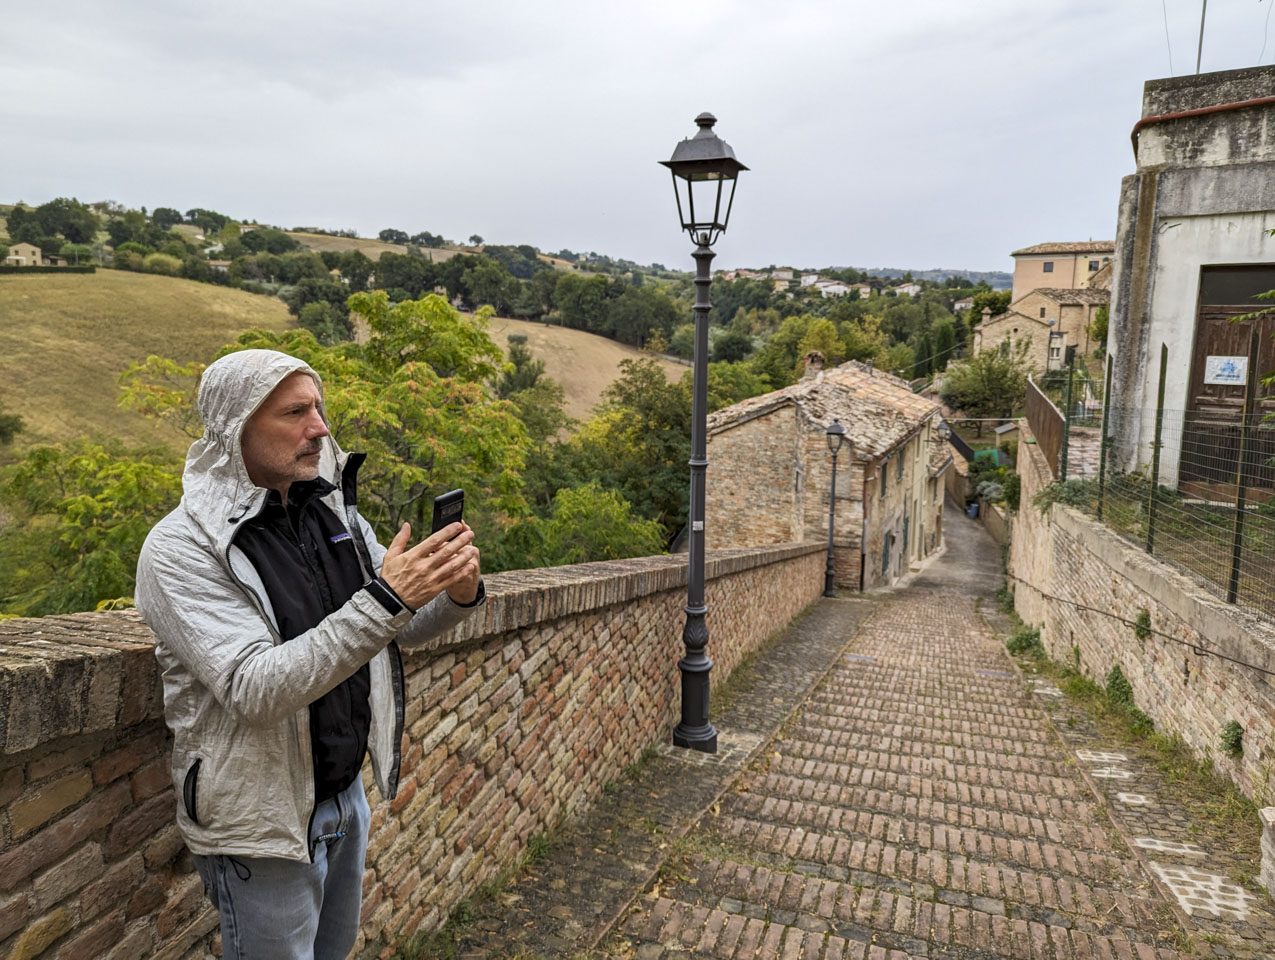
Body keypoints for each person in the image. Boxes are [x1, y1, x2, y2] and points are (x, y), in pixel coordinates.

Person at [135, 349, 485, 960]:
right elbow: (252, 688)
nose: (320, 427)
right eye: (295, 412)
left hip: (345, 799)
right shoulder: (180, 548)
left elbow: (395, 624)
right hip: (261, 826)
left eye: (318, 409)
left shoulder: (329, 511)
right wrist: (387, 597)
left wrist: (455, 592)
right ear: (237, 425)